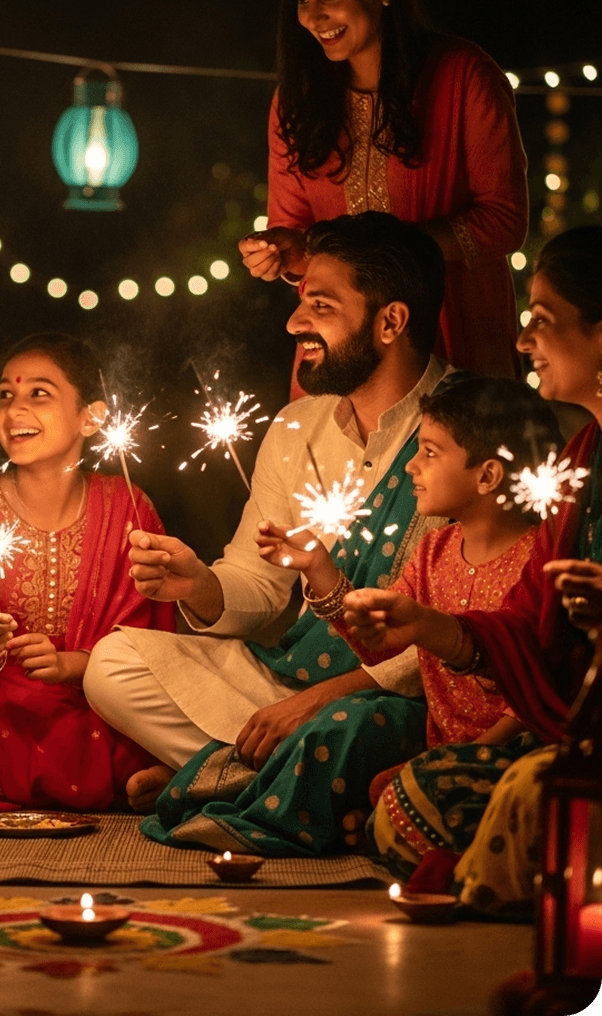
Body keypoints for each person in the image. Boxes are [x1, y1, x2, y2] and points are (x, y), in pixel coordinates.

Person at [85, 211, 451, 820]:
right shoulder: (294, 428)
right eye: (302, 301)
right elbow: (257, 582)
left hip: (397, 691)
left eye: (322, 307)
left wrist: (322, 700)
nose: (294, 322)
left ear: (391, 321)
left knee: (363, 725)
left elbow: (458, 634)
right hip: (291, 675)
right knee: (113, 665)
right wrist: (199, 584)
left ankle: (222, 777)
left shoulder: (461, 430)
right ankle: (269, 777)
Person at [141, 376, 558, 856]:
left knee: (367, 749)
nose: (412, 467)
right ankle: (261, 809)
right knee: (355, 751)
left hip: (504, 750)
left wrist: (465, 756)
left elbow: (533, 694)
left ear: (487, 477)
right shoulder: (434, 550)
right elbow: (379, 642)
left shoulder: (538, 561)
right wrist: (318, 568)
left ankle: (284, 821)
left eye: (429, 452)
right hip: (432, 741)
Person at [341, 225, 602, 913]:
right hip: (568, 729)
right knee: (415, 797)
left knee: (438, 799)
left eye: (542, 321)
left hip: (581, 737)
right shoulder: (582, 458)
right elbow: (527, 628)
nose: (522, 343)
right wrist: (426, 624)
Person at [240, 0, 527, 385]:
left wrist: (388, 254)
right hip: (338, 353)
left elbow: (504, 221)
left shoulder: (463, 76)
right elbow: (293, 228)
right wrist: (283, 248)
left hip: (449, 337)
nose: (313, 17)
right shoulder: (296, 101)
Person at [0, 332, 176, 810]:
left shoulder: (127, 506)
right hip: (5, 698)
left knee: (143, 712)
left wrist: (73, 665)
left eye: (38, 393)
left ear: (91, 417)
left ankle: (143, 768)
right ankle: (136, 780)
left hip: (98, 696)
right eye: (5, 395)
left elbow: (150, 639)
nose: (15, 410)